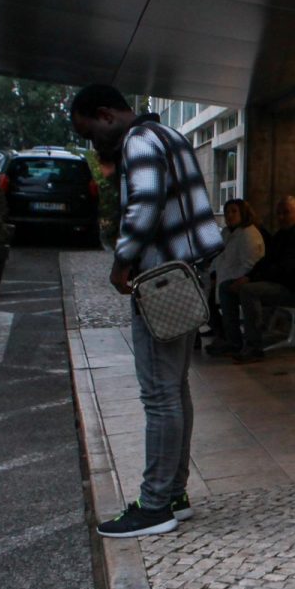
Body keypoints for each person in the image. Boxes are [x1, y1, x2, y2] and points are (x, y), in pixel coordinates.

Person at [70, 84, 224, 538]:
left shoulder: (139, 141)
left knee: (160, 394)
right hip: (186, 273)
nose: (94, 143)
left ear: (105, 114)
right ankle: (173, 492)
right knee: (175, 389)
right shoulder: (169, 135)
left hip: (160, 279)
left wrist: (122, 260)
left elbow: (145, 203)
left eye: (91, 132)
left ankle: (155, 504)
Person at [222, 194, 295, 360]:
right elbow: (265, 261)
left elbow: (285, 269)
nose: (281, 217)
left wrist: (251, 279)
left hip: (292, 290)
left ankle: (254, 347)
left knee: (248, 290)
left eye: (285, 213)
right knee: (226, 287)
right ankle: (233, 341)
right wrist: (248, 276)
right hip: (278, 283)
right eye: (279, 213)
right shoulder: (284, 233)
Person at [205, 200, 265, 357]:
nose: (229, 215)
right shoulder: (226, 233)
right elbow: (217, 258)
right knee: (203, 293)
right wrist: (212, 275)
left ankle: (233, 339)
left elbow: (251, 262)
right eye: (227, 212)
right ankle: (222, 333)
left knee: (225, 291)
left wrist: (236, 279)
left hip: (239, 278)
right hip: (224, 276)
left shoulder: (248, 234)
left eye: (234, 211)